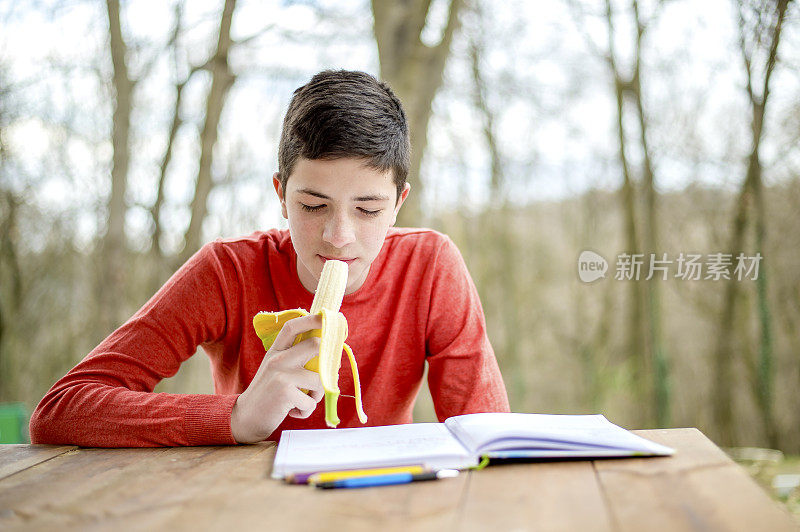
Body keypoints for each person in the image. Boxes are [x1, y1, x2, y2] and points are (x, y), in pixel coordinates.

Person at [29, 70, 509, 447]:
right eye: (312, 205)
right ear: (281, 195)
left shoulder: (431, 266)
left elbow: (485, 435)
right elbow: (61, 409)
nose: (339, 237)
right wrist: (236, 416)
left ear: (399, 202)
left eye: (368, 209)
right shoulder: (227, 272)